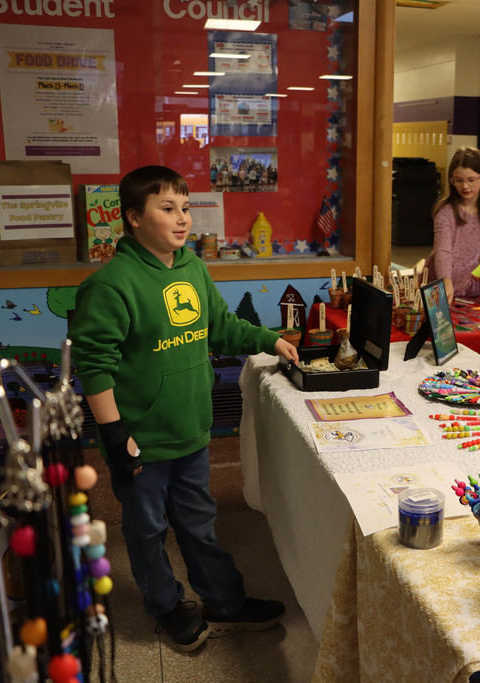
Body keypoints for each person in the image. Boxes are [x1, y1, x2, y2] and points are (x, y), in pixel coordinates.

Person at [68, 165, 300, 653]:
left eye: (186, 208)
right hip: (140, 440)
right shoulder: (110, 285)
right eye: (167, 208)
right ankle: (166, 605)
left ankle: (225, 602)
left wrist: (271, 339)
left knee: (199, 522)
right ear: (134, 217)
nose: (182, 219)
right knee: (147, 530)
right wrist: (115, 435)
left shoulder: (192, 267)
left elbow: (221, 327)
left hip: (192, 431)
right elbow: (95, 366)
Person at [426, 147, 480, 302]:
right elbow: (443, 251)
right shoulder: (445, 212)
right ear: (452, 179)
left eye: (471, 180)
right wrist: (445, 280)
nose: (465, 186)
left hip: (470, 289)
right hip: (438, 284)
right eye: (458, 180)